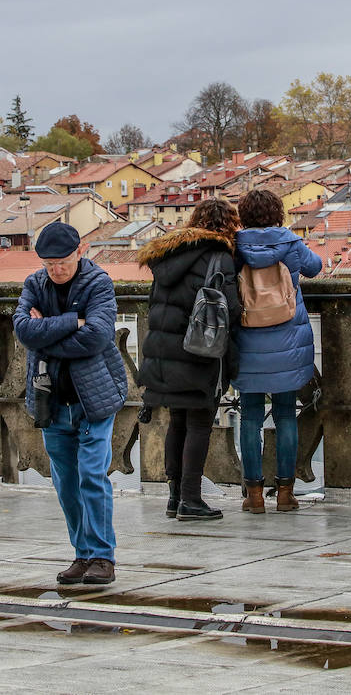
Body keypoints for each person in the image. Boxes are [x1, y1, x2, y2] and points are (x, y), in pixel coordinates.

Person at [13, 221, 128, 586]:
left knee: (92, 475)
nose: (56, 270)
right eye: (49, 264)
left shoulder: (98, 283)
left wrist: (46, 331)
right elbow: (22, 329)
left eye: (62, 262)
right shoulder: (34, 284)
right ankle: (81, 553)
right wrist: (70, 322)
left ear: (81, 251)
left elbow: (96, 336)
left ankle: (102, 556)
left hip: (92, 396)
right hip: (50, 398)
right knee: (65, 481)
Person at [137, 198, 242, 521]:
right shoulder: (219, 257)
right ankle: (192, 499)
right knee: (199, 423)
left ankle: (174, 497)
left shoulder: (167, 255)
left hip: (163, 352)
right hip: (199, 351)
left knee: (177, 423)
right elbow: (232, 310)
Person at [232, 188, 322, 513]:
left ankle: (253, 495)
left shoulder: (236, 247)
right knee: (286, 415)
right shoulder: (289, 242)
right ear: (278, 212)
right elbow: (315, 267)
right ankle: (286, 492)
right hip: (287, 339)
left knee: (250, 416)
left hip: (248, 341)